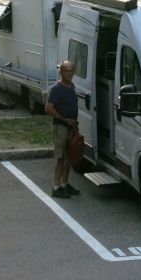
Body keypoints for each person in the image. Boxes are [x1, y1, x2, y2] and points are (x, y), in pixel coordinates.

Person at [45, 60, 80, 199]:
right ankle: (56, 186)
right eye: (67, 71)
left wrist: (74, 125)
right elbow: (48, 108)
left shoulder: (72, 87)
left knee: (70, 157)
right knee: (60, 158)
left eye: (72, 71)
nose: (69, 74)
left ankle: (65, 183)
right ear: (61, 72)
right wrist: (64, 119)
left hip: (71, 127)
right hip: (60, 127)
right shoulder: (56, 89)